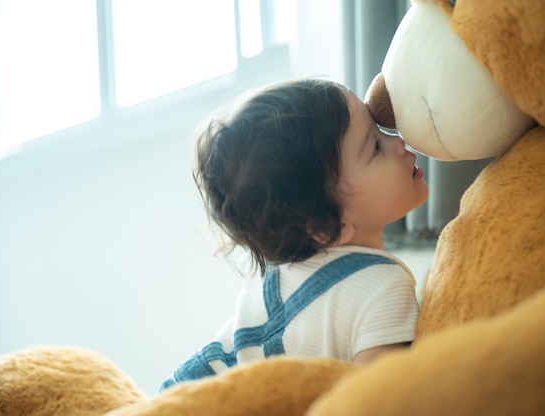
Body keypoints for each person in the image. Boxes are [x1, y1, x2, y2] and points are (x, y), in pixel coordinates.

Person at [160, 78, 429, 390]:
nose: (398, 142)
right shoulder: (384, 286)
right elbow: (377, 400)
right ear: (327, 227)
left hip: (179, 389)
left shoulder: (275, 272)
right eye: (375, 148)